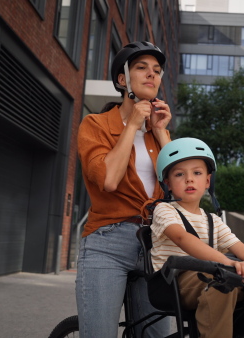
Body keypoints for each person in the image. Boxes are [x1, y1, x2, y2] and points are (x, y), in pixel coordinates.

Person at [151, 138, 244, 338]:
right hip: (174, 281)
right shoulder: (164, 209)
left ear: (207, 181)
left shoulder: (212, 220)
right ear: (167, 183)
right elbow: (181, 238)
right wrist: (227, 263)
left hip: (213, 273)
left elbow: (243, 250)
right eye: (179, 174)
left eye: (197, 173)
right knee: (222, 280)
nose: (189, 179)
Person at [76, 41, 172, 338]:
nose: (151, 75)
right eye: (141, 68)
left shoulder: (159, 132)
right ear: (122, 80)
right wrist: (132, 125)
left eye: (156, 71)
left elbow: (180, 189)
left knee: (156, 335)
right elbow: (109, 180)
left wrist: (161, 131)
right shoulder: (96, 125)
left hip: (154, 243)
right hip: (107, 243)